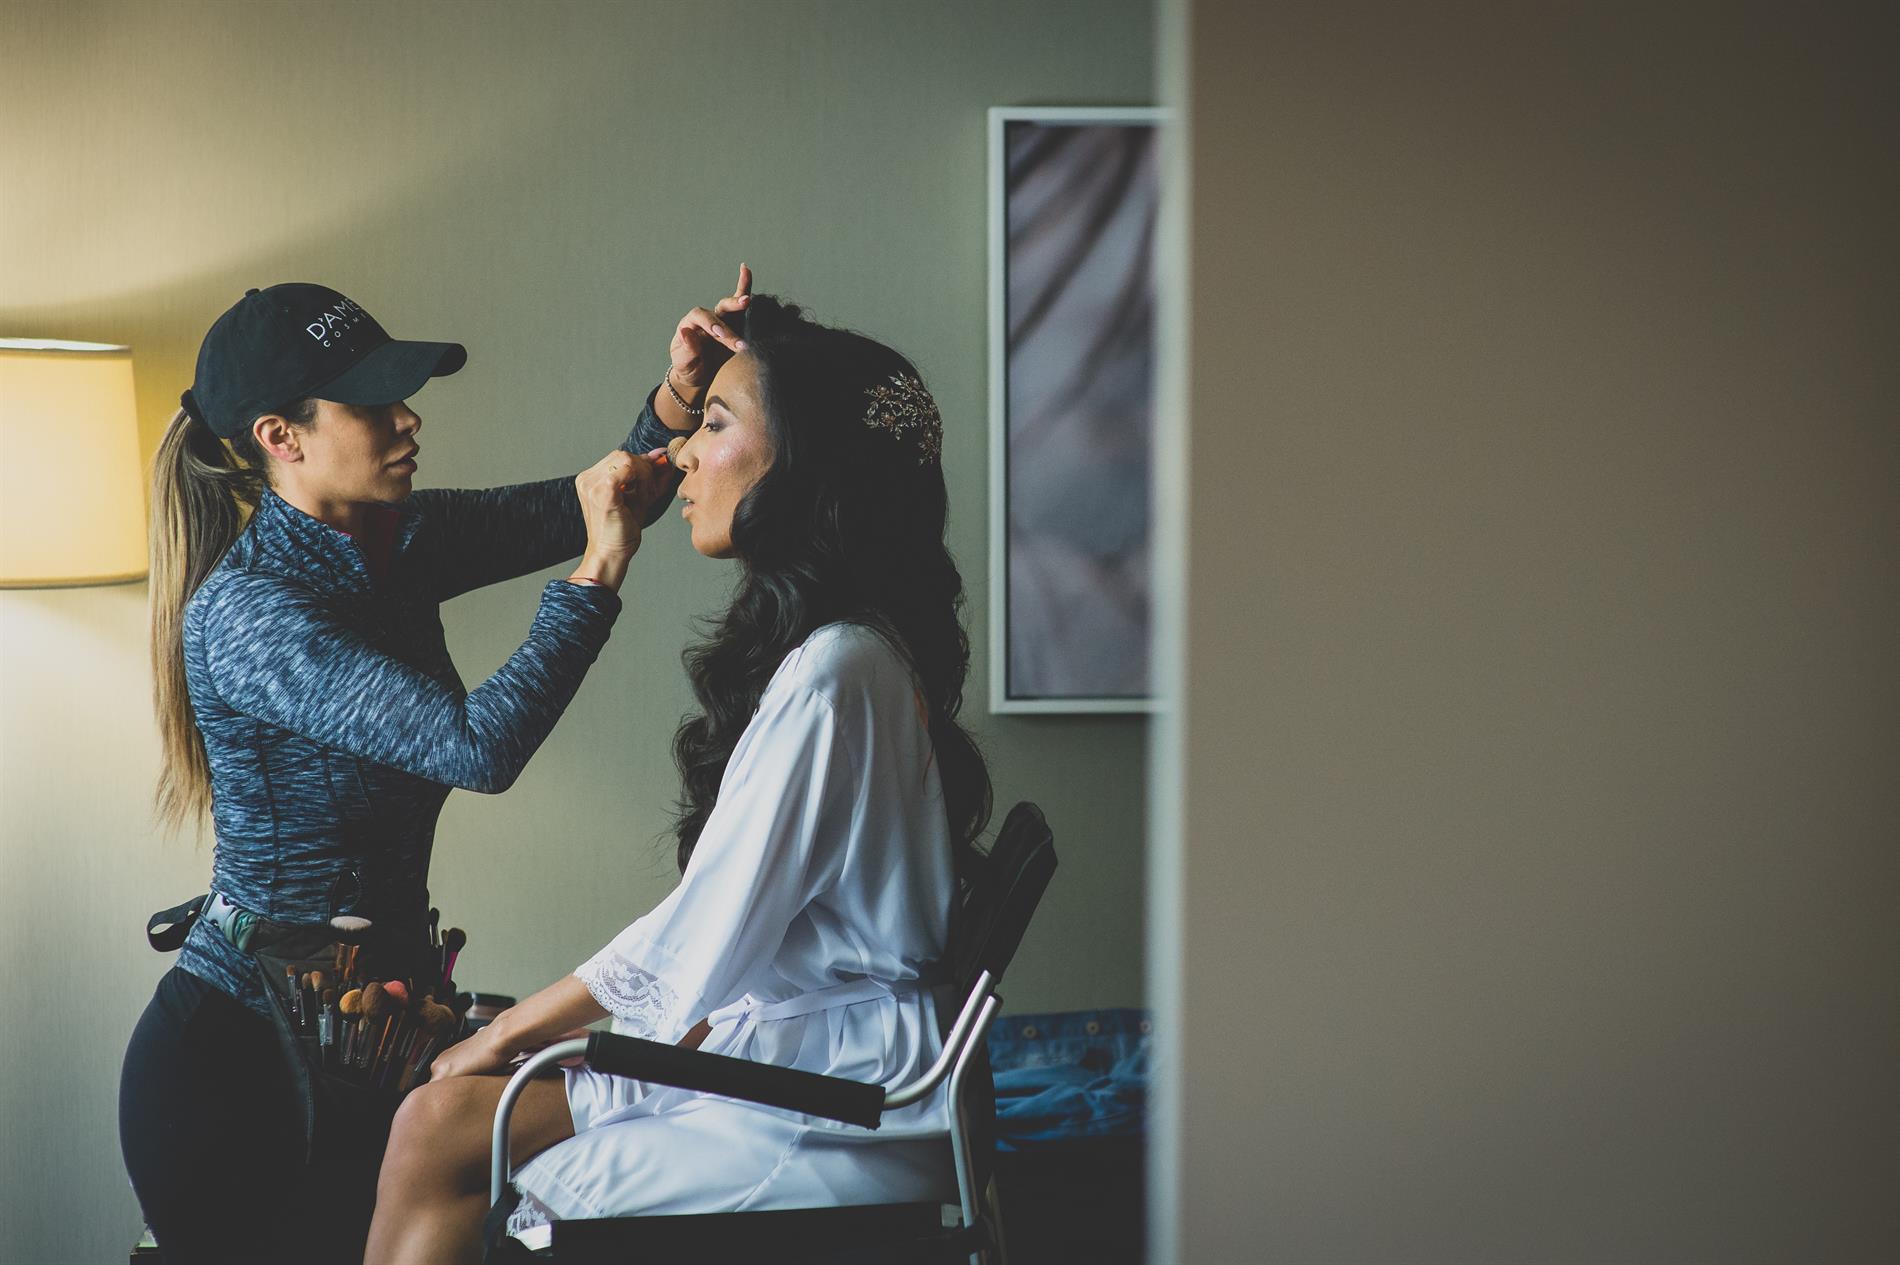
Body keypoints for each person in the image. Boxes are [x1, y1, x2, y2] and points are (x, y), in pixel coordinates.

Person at [120, 274, 751, 1263]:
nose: (408, 418)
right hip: (241, 1071)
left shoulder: (399, 535)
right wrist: (600, 570)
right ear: (281, 436)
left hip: (359, 1033)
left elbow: (587, 502)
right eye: (373, 403)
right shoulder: (250, 611)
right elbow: (476, 746)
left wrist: (681, 395)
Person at [363, 294, 993, 1264]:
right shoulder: (845, 650)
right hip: (791, 1047)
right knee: (437, 1119)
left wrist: (503, 1032)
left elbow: (705, 927)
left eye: (716, 424)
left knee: (441, 1122)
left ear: (805, 466)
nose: (684, 455)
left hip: (827, 1094)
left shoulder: (839, 669)